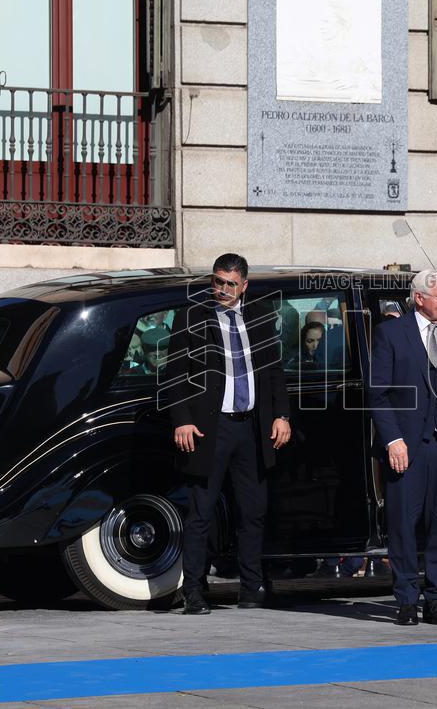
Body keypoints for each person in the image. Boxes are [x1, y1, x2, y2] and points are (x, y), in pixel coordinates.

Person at [162, 253, 291, 615]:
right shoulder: (191, 317)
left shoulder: (261, 316)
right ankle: (194, 593)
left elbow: (274, 371)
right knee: (200, 513)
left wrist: (282, 414)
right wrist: (181, 420)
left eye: (230, 284)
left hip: (251, 428)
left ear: (244, 285)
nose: (222, 289)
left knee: (253, 511)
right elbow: (174, 375)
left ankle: (251, 589)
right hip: (209, 429)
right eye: (217, 281)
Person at [368, 270, 437, 626]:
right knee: (403, 524)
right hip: (406, 445)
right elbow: (378, 393)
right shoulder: (391, 333)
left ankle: (436, 599)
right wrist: (392, 439)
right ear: (419, 298)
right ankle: (405, 599)